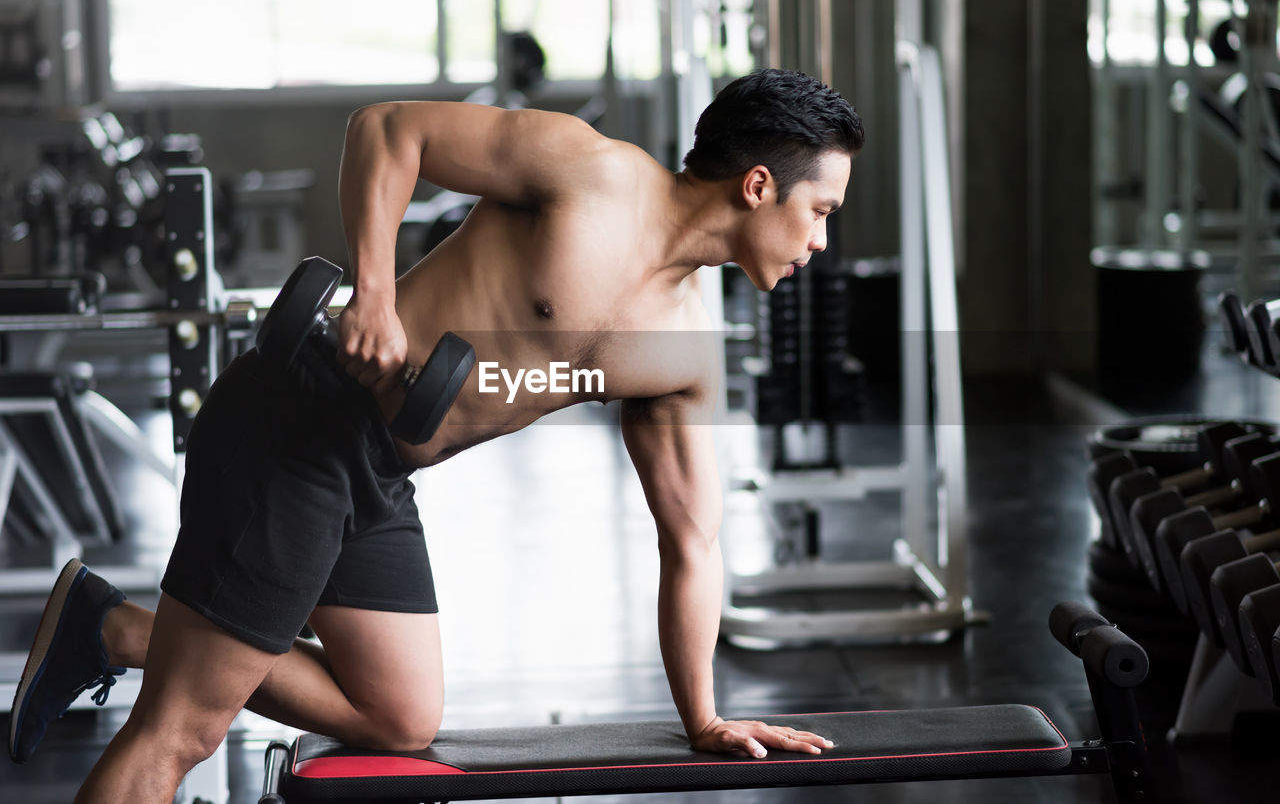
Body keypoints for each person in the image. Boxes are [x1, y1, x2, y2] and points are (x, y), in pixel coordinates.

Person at [8, 68, 864, 803]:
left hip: (378, 472)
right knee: (182, 729)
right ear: (758, 185)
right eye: (820, 210)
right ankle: (140, 644)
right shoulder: (589, 172)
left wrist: (704, 718)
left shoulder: (683, 353)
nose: (821, 241)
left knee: (399, 715)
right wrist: (373, 292)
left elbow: (693, 540)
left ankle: (117, 628)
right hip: (301, 417)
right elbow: (387, 130)